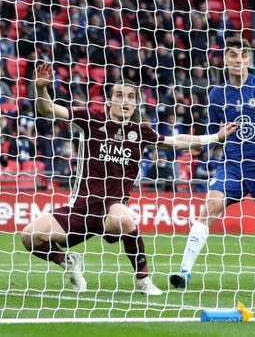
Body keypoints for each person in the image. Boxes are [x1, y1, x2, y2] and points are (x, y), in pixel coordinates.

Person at [22, 63, 236, 295]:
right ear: (109, 100)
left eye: (131, 97)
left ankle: (144, 280)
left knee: (124, 218)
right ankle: (69, 262)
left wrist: (215, 136)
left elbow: (176, 141)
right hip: (80, 209)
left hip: (110, 210)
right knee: (29, 236)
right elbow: (49, 110)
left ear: (136, 103)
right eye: (119, 95)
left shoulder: (140, 132)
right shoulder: (91, 120)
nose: (125, 101)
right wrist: (41, 89)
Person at [169, 36, 255, 288]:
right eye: (233, 55)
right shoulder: (217, 94)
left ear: (249, 58)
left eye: (243, 55)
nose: (238, 60)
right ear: (225, 60)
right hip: (231, 165)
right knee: (210, 208)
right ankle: (184, 271)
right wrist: (199, 146)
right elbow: (211, 130)